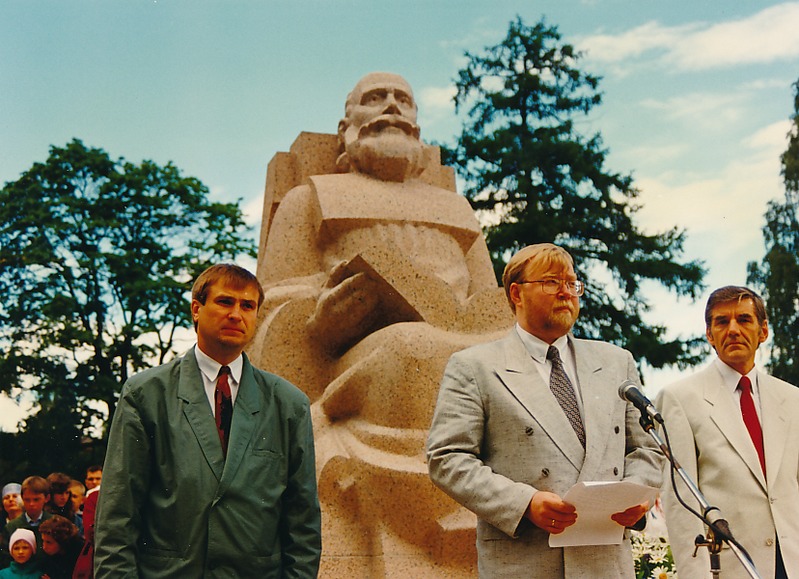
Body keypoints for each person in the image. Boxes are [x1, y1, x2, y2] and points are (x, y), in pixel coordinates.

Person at [252, 71, 511, 573]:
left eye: (404, 100)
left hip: (466, 341)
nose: (392, 107)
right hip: (363, 356)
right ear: (347, 122)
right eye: (376, 98)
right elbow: (270, 301)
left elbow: (488, 295)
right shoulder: (313, 197)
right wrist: (318, 317)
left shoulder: (455, 209)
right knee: (410, 348)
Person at [427, 243, 664, 577]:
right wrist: (523, 503)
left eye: (572, 283)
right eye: (552, 282)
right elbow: (447, 457)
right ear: (516, 293)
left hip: (606, 564)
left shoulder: (616, 362)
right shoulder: (474, 367)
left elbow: (647, 447)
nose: (566, 293)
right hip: (524, 563)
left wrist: (637, 494)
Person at [94, 264, 321, 578]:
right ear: (196, 309)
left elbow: (303, 520)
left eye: (247, 306)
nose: (236, 314)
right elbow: (117, 515)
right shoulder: (145, 395)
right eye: (225, 302)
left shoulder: (288, 404)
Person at [656, 286, 799, 578]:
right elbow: (680, 501)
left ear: (763, 331)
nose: (733, 329)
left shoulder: (792, 398)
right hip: (729, 567)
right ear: (709, 334)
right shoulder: (679, 399)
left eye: (744, 320)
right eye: (722, 321)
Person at [38, 515, 82, 579]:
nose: (44, 547)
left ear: (62, 542)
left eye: (49, 542)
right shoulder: (47, 557)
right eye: (43, 541)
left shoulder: (80, 556)